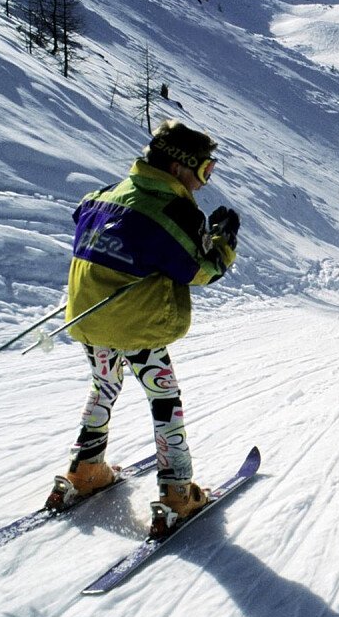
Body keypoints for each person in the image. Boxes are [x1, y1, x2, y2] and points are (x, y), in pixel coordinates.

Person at [46, 119, 240, 537]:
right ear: (177, 167)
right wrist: (223, 244)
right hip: (135, 324)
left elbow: (83, 217)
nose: (204, 182)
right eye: (204, 170)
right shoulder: (172, 210)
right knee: (164, 398)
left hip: (86, 316)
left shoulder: (106, 194)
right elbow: (201, 270)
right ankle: (176, 492)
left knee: (105, 385)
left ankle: (85, 468)